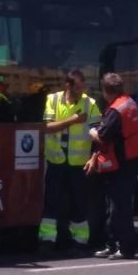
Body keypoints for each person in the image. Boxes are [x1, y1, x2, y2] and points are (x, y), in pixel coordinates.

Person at [39, 69, 102, 254]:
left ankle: (80, 242)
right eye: (78, 88)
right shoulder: (53, 100)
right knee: (51, 202)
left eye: (83, 88)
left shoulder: (90, 104)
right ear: (68, 85)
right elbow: (47, 127)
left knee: (79, 204)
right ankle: (47, 240)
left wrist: (94, 157)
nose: (82, 92)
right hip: (56, 161)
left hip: (78, 163)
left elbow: (98, 132)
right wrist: (73, 120)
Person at [87, 73, 138, 260]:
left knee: (119, 209)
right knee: (114, 206)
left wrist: (92, 131)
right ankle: (112, 245)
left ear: (106, 91)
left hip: (121, 165)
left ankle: (125, 248)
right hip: (129, 162)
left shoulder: (115, 110)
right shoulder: (128, 102)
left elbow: (103, 137)